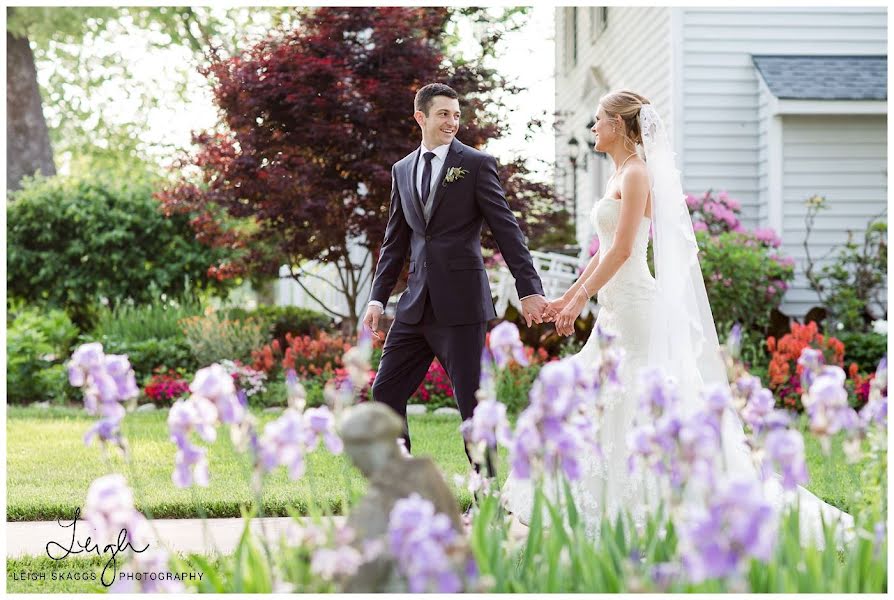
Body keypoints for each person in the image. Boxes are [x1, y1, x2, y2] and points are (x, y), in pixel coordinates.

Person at [501, 89, 853, 545]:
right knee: (607, 399)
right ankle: (613, 505)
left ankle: (673, 503)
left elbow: (626, 250)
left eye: (598, 121)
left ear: (619, 126)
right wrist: (566, 298)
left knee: (637, 399)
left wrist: (576, 301)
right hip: (614, 310)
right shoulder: (618, 175)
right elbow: (604, 251)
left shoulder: (637, 175)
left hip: (636, 312)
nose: (592, 128)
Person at [362, 83, 550, 468]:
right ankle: (401, 482)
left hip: (462, 306)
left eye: (456, 115)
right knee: (384, 391)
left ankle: (488, 499)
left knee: (472, 403)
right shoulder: (402, 170)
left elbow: (506, 229)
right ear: (421, 117)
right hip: (414, 307)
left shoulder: (477, 164)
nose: (452, 122)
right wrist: (377, 298)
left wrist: (529, 289)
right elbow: (394, 241)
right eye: (444, 114)